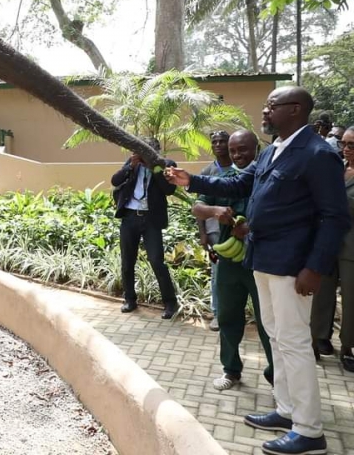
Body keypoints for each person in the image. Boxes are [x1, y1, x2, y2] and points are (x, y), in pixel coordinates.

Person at [165, 87, 349, 455]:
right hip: (262, 260)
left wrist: (315, 267)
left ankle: (310, 431)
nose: (264, 112)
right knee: (277, 337)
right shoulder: (274, 151)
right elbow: (239, 182)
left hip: (292, 266)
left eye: (271, 106)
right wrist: (193, 181)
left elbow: (334, 217)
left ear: (294, 110)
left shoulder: (318, 154)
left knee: (295, 344)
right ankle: (287, 410)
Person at [191, 130, 274, 390]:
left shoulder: (267, 180)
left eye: (244, 150)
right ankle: (231, 370)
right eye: (234, 150)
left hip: (261, 261)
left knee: (267, 321)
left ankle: (276, 376)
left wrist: (250, 226)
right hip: (229, 260)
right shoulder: (224, 178)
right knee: (227, 317)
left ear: (256, 149)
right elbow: (197, 207)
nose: (237, 155)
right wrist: (216, 210)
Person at [111, 137, 179, 320]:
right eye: (142, 150)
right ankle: (130, 300)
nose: (145, 154)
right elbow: (115, 180)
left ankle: (170, 303)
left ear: (156, 152)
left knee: (156, 260)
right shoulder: (132, 162)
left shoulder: (167, 165)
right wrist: (130, 166)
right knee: (127, 261)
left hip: (151, 219)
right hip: (130, 217)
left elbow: (169, 190)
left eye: (149, 151)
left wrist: (154, 168)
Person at [312, 126, 354, 374]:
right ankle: (318, 339)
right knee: (321, 294)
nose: (346, 149)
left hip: (351, 245)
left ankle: (348, 347)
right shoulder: (337, 168)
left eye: (352, 145)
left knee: (350, 298)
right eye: (344, 144)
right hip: (327, 241)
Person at [198, 130, 233, 331]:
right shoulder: (207, 172)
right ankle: (218, 313)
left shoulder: (240, 169)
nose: (218, 144)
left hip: (238, 231)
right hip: (214, 232)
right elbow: (199, 205)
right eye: (215, 142)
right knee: (218, 272)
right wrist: (202, 233)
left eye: (222, 141)